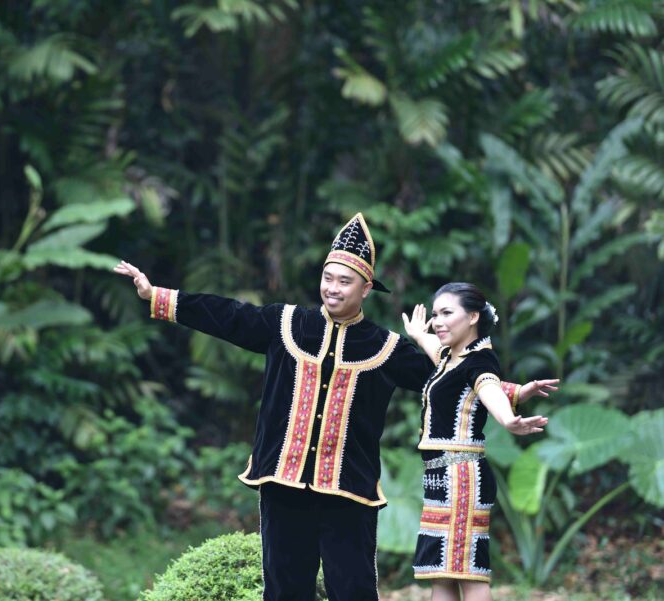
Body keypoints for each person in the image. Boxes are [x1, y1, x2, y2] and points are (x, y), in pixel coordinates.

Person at [114, 213, 556, 601]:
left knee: (354, 590)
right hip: (283, 481)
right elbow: (227, 315)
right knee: (285, 589)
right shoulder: (286, 323)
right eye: (328, 278)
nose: (332, 288)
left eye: (344, 282)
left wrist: (511, 392)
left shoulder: (385, 347)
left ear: (366, 289)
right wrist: (158, 295)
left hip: (349, 491)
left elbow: (449, 380)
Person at [402, 283, 552, 601]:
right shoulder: (451, 358)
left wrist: (508, 418)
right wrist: (418, 334)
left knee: (468, 571)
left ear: (472, 317)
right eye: (435, 314)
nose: (437, 321)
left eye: (446, 313)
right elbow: (463, 379)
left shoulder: (480, 362)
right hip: (441, 476)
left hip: (463, 479)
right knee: (441, 572)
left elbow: (487, 387)